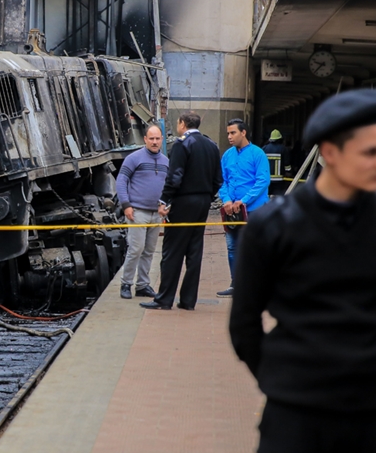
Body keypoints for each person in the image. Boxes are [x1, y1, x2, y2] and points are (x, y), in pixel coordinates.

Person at [230, 90, 376, 453]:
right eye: (370, 152)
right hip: (297, 417)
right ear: (331, 152)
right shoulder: (274, 226)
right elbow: (244, 324)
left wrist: (372, 365)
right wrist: (283, 380)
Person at [140, 111, 222, 310]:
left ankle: (164, 298)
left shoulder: (182, 144)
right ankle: (188, 300)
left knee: (173, 251)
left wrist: (164, 200)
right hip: (203, 201)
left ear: (183, 124)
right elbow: (218, 179)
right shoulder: (211, 145)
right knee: (195, 251)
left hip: (184, 202)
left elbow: (175, 177)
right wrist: (207, 196)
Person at [217, 119, 270, 297]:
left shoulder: (258, 154)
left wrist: (244, 200)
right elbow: (222, 181)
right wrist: (226, 200)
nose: (229, 137)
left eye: (233, 133)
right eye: (228, 133)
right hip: (232, 211)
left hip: (254, 210)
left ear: (243, 132)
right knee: (232, 247)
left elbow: (262, 181)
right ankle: (236, 284)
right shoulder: (227, 156)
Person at [116, 124, 169, 299]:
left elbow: (168, 186)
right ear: (145, 139)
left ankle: (142, 285)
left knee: (149, 251)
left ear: (162, 139)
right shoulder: (133, 158)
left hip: (156, 213)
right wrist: (126, 205)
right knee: (136, 249)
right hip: (137, 211)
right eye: (151, 138)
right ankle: (126, 283)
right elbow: (121, 181)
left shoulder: (166, 162)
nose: (154, 142)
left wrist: (166, 205)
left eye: (157, 138)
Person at [261, 129, 290, 196]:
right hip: (279, 181)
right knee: (277, 199)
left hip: (266, 179)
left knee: (266, 198)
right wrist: (288, 172)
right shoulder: (283, 149)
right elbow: (287, 164)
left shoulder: (264, 149)